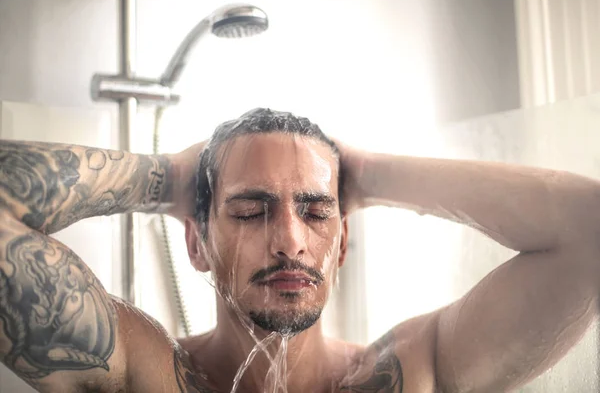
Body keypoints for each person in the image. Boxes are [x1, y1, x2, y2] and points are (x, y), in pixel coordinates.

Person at [0, 107, 598, 393]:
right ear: (197, 241)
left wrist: (370, 173)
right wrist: (167, 177)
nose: (290, 240)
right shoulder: (143, 372)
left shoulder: (414, 371)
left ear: (340, 245)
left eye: (315, 212)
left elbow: (589, 231)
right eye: (249, 210)